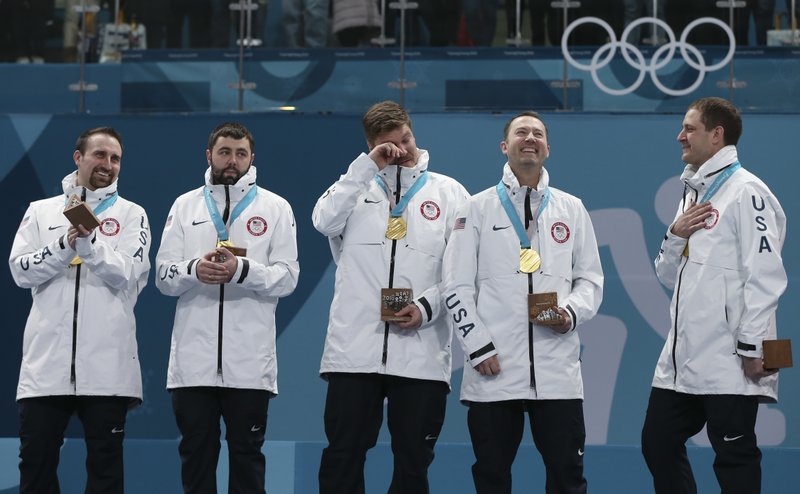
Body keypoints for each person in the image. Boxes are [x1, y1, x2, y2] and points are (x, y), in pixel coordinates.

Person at [441, 111, 603, 494]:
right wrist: (478, 348)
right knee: (491, 478)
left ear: (548, 148)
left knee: (568, 478)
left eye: (538, 134)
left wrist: (570, 313)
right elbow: (456, 286)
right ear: (505, 146)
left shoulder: (572, 208)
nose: (530, 138)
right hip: (494, 371)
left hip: (557, 373)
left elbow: (591, 281)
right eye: (521, 132)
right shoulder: (476, 208)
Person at [313, 100, 469, 493]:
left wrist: (427, 308)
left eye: (407, 139)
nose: (403, 150)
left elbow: (462, 271)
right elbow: (323, 221)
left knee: (414, 463)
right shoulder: (353, 189)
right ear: (372, 146)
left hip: (421, 353)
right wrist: (365, 168)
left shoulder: (449, 192)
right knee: (343, 457)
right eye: (391, 144)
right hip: (354, 352)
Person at [641, 97, 787, 493]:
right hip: (681, 360)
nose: (680, 136)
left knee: (734, 459)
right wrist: (674, 235)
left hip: (730, 360)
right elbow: (667, 275)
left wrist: (753, 347)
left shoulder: (747, 192)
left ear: (716, 135)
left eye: (689, 128)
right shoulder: (693, 193)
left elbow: (766, 276)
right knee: (657, 443)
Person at [155, 122, 299, 493]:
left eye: (240, 153)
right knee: (196, 458)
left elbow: (287, 277)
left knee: (247, 458)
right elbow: (163, 276)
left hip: (249, 364)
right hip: (193, 364)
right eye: (224, 152)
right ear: (209, 155)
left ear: (252, 158)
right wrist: (194, 270)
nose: (232, 160)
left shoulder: (276, 208)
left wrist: (242, 271)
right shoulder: (184, 206)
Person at [9, 127, 150, 493]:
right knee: (36, 469)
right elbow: (20, 270)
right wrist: (63, 245)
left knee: (106, 471)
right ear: (78, 157)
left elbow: (128, 274)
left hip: (107, 368)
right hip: (46, 366)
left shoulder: (132, 214)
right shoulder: (41, 211)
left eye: (115, 158)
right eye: (100, 154)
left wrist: (89, 247)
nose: (108, 164)